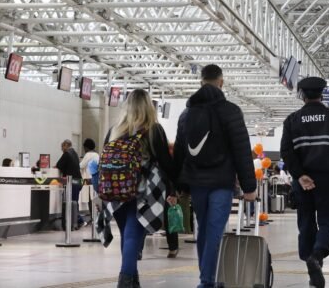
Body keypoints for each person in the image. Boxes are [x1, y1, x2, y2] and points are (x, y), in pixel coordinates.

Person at [173, 64, 256, 288]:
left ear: (201, 82)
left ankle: (208, 276)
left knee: (204, 229)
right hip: (221, 181)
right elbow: (241, 149)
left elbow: (180, 151)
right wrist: (249, 186)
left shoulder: (186, 114)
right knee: (215, 230)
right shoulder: (231, 111)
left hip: (196, 182)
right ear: (221, 82)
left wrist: (176, 184)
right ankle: (207, 280)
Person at [280, 77, 329, 288]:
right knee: (327, 221)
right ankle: (317, 256)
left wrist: (299, 175)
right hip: (328, 180)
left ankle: (310, 262)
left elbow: (286, 152)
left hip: (303, 181)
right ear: (321, 94)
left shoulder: (292, 120)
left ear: (302, 95)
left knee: (306, 221)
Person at [102, 89, 177, 287]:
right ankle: (125, 282)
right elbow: (166, 164)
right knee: (132, 237)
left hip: (114, 192)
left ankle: (132, 282)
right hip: (142, 193)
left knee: (127, 236)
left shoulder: (114, 130)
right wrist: (174, 189)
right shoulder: (153, 130)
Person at [56, 139, 83, 230]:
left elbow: (59, 165)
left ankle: (75, 222)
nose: (61, 149)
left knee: (69, 202)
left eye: (62, 147)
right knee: (74, 202)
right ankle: (76, 222)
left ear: (66, 145)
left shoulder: (67, 153)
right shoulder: (75, 153)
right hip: (78, 181)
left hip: (72, 182)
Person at [79, 138, 99, 226]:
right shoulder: (97, 155)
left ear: (87, 147)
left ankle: (92, 218)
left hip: (88, 180)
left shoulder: (88, 154)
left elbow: (81, 165)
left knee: (90, 200)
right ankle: (95, 218)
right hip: (96, 178)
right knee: (94, 199)